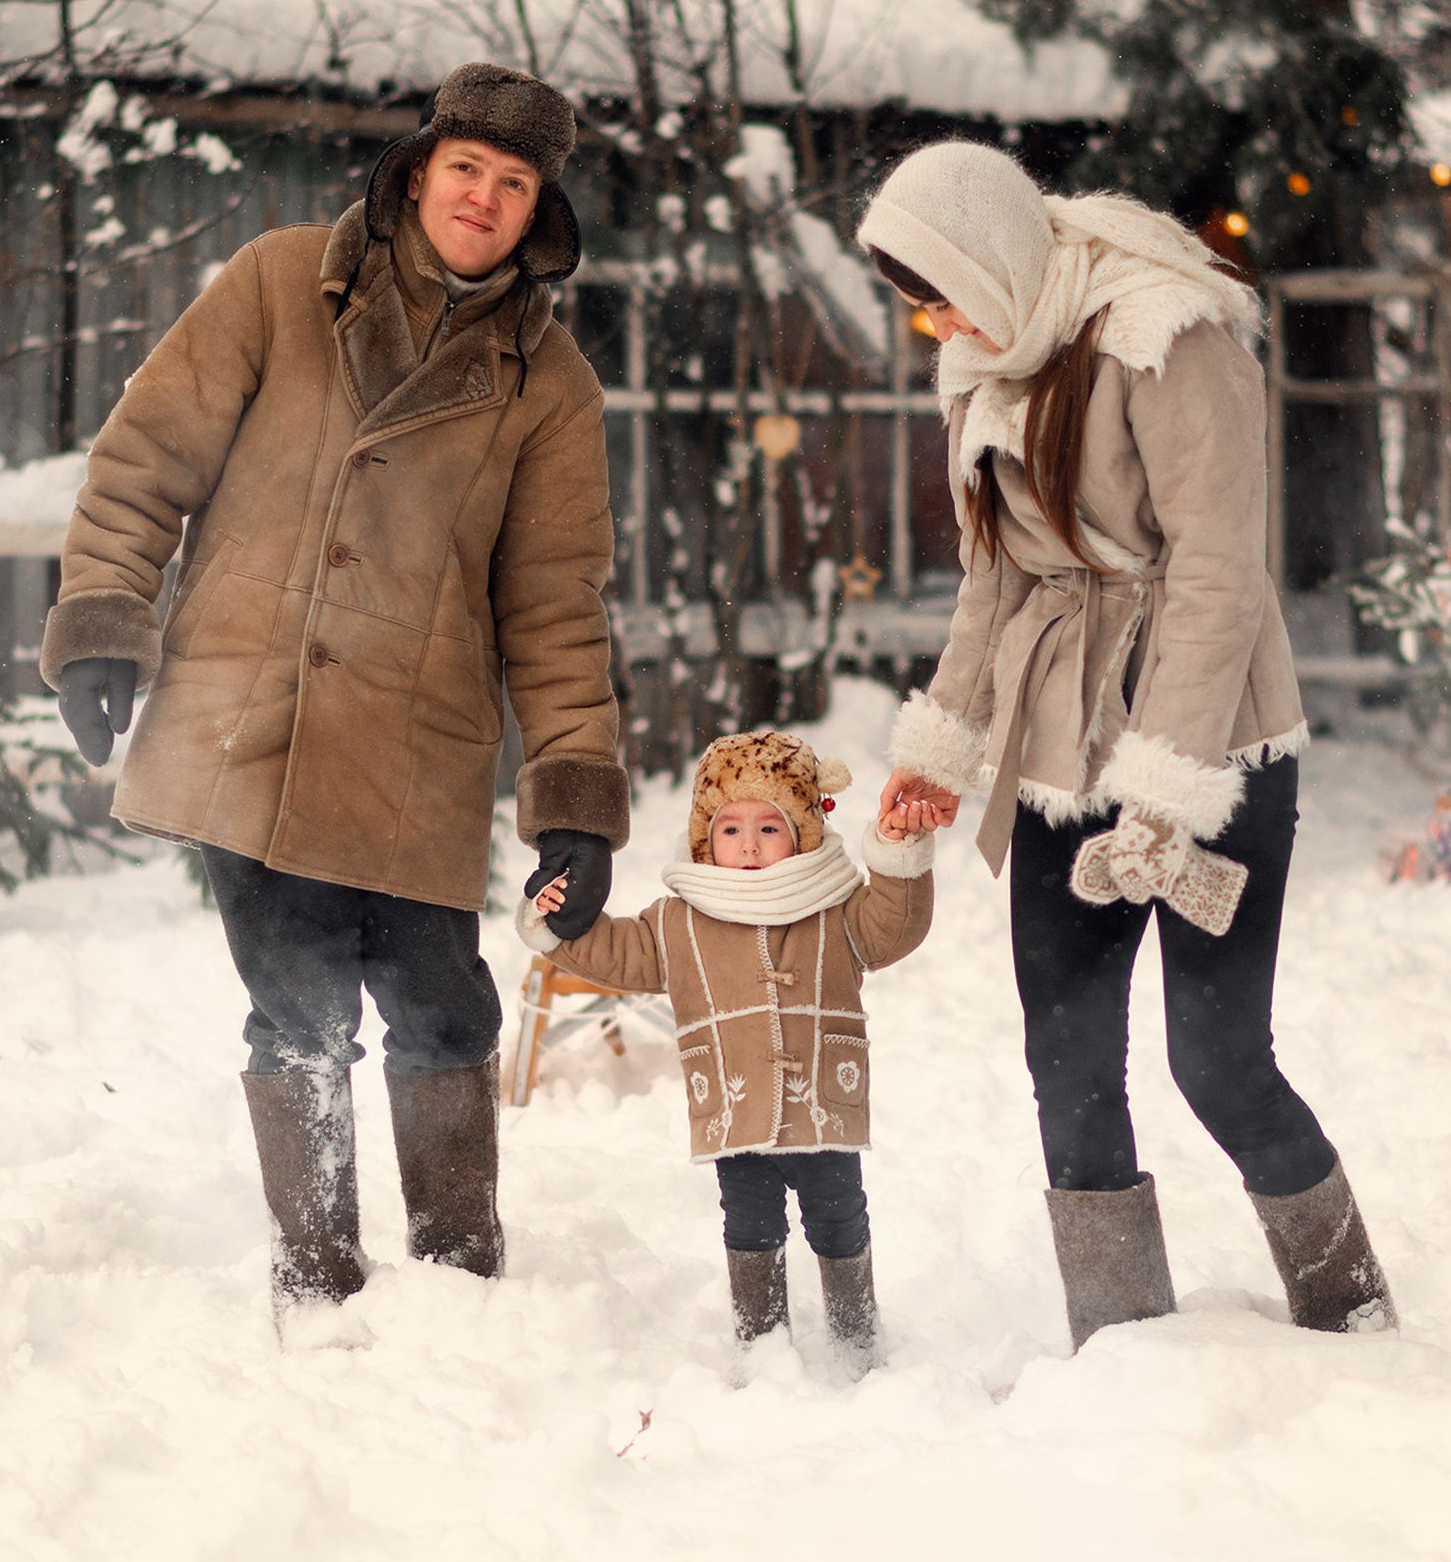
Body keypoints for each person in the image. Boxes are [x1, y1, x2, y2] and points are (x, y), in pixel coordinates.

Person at [37, 63, 630, 1319]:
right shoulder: (280, 281)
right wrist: (103, 617)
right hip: (251, 716)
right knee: (297, 1006)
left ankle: (461, 1278)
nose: (483, 196)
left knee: (442, 1009)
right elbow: (146, 459)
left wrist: (572, 788)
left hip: (416, 744)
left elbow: (555, 601)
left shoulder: (551, 385)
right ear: (421, 170)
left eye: (513, 183)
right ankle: (318, 1286)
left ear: (537, 214)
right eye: (466, 167)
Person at [858, 141, 1398, 1348]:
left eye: (936, 289)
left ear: (989, 256)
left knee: (1216, 1059)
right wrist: (939, 745)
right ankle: (1120, 1347)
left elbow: (1216, 569)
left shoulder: (1164, 333)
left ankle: (1351, 1317)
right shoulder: (985, 361)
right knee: (1069, 1058)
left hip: (1215, 739)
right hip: (1058, 741)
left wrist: (1166, 784)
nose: (931, 320)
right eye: (916, 303)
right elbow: (994, 576)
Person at [519, 732, 938, 1369]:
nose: (748, 845)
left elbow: (896, 923)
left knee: (838, 1219)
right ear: (704, 839)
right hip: (736, 1112)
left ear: (803, 831)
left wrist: (899, 851)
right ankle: (762, 1342)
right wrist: (558, 914)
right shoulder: (678, 922)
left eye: (770, 828)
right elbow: (613, 951)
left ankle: (856, 1339)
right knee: (749, 1225)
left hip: (822, 1106)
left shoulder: (837, 910)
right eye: (730, 828)